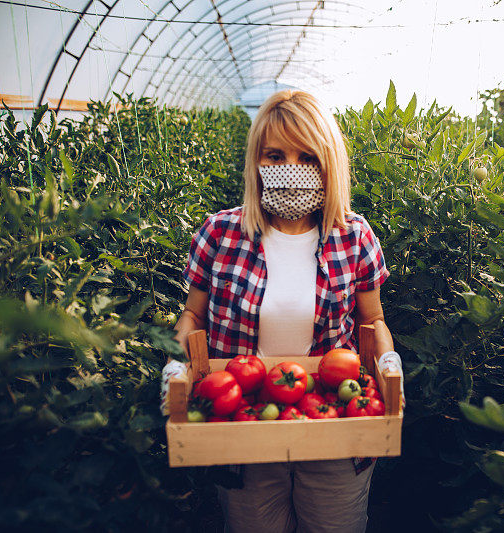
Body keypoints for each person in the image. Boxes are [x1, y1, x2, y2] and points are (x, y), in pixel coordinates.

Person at [159, 89, 404, 533]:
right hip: (241, 419)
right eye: (274, 155)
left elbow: (372, 321)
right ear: (256, 162)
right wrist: (176, 367)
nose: (290, 169)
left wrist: (388, 362)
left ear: (328, 164)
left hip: (334, 419)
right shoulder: (221, 233)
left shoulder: (354, 237)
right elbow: (192, 317)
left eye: (307, 156)